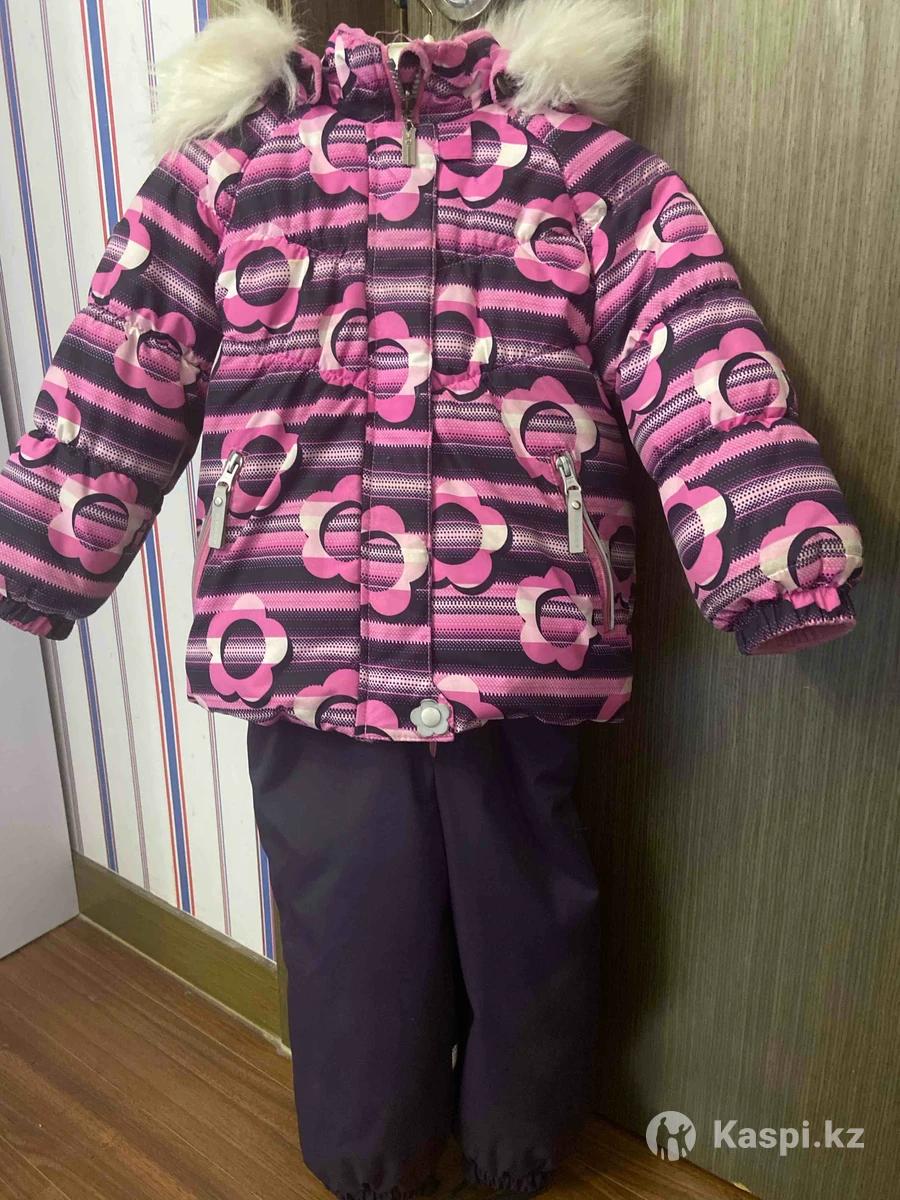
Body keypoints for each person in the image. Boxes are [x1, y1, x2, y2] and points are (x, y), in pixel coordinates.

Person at [0, 2, 864, 1198]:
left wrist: (776, 555)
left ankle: (521, 1139)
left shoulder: (582, 174)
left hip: (519, 627)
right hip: (297, 635)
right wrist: (40, 549)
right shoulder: (227, 178)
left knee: (526, 917)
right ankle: (369, 1150)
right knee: (346, 915)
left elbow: (698, 354)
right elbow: (122, 365)